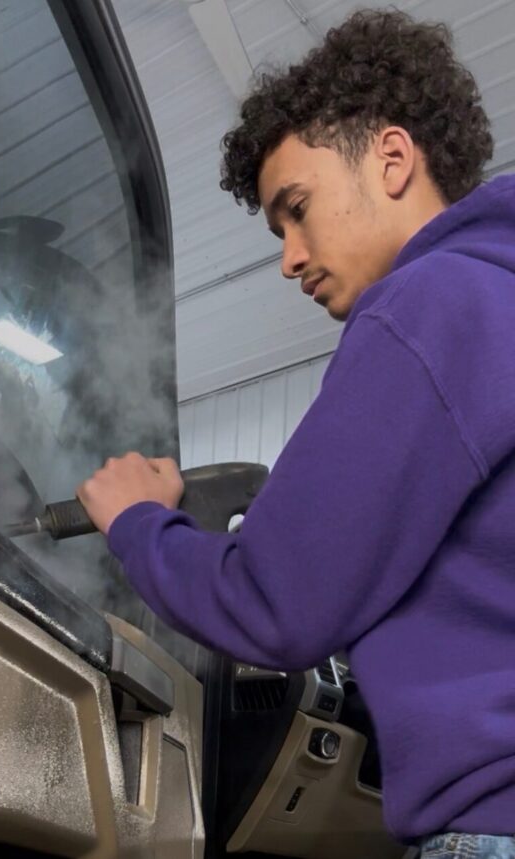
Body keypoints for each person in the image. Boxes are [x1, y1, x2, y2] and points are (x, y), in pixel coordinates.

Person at [76, 9, 515, 859]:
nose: (289, 256)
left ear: (392, 159)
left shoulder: (427, 310)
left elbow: (277, 601)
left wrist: (139, 523)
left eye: (298, 208)